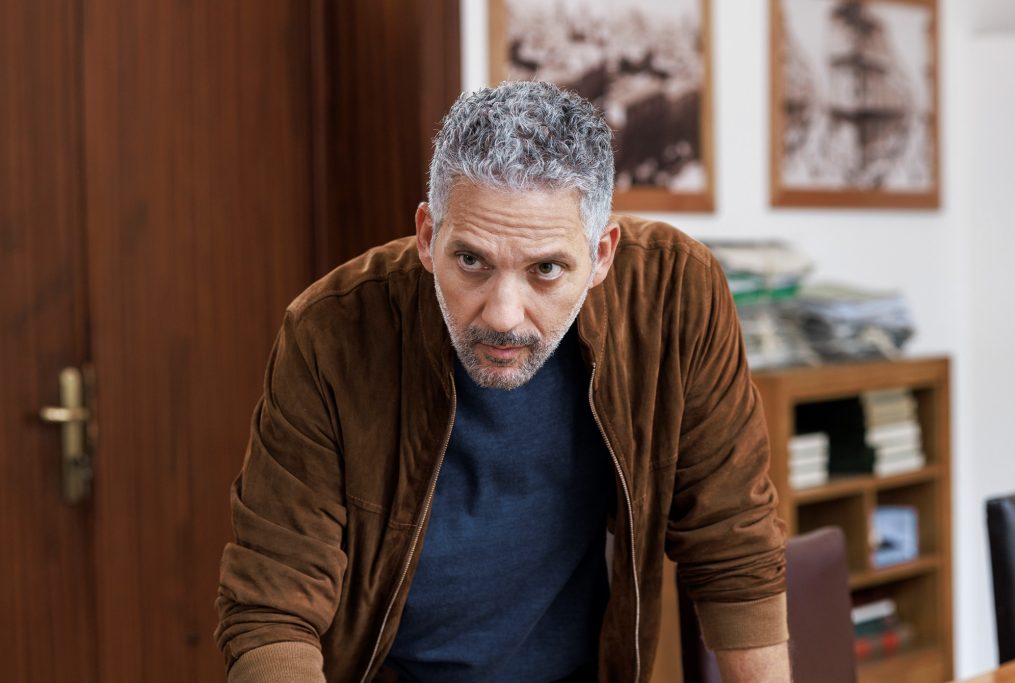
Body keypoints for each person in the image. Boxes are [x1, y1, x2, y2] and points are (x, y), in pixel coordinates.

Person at [216, 81, 789, 683]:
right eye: (472, 261)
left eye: (546, 269)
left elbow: (733, 544)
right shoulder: (331, 331)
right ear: (428, 236)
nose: (503, 316)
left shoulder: (672, 294)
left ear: (601, 255)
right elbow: (271, 605)